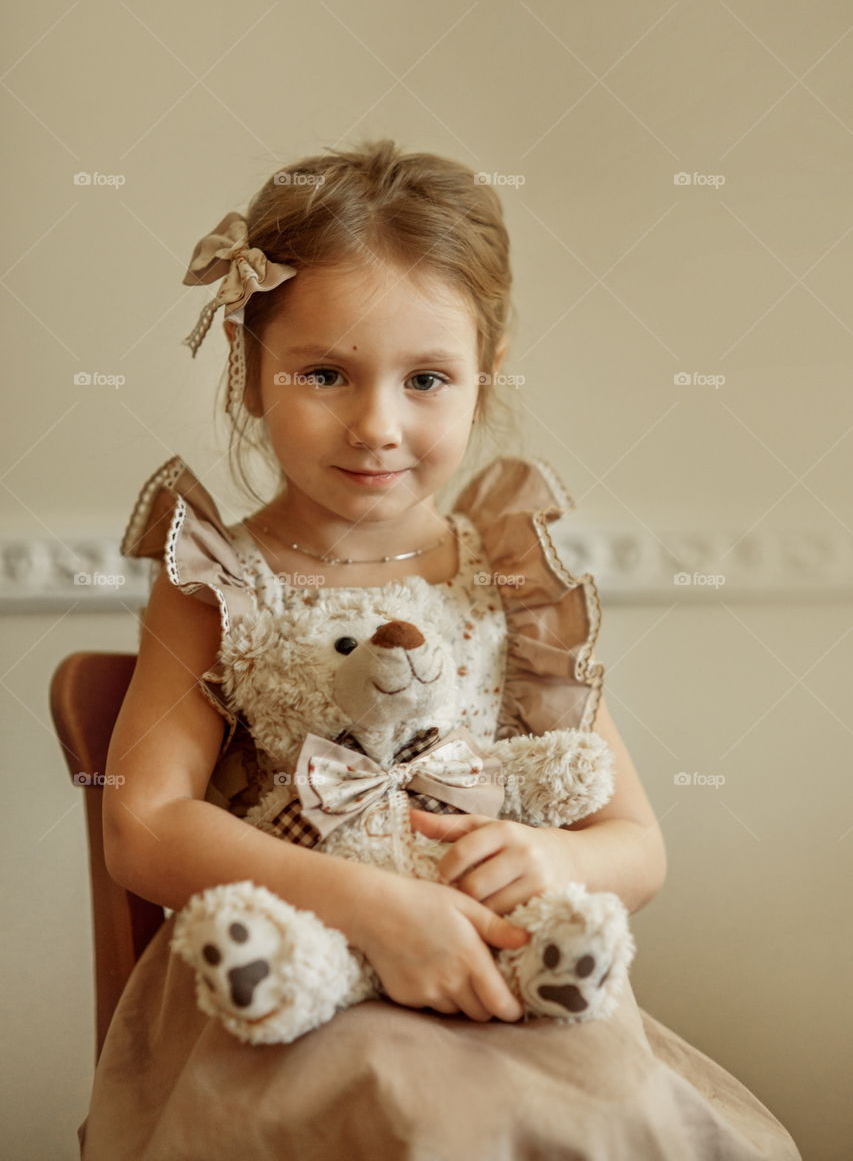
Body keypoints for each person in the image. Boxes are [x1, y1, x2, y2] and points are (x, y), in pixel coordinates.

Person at [79, 139, 801, 1159]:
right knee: (402, 1106)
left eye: (425, 378)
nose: (376, 423)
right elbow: (144, 826)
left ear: (483, 376)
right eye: (324, 372)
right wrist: (372, 904)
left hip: (499, 978)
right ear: (250, 371)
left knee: (596, 1110)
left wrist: (552, 853)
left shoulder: (508, 572)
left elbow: (635, 841)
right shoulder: (216, 578)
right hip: (299, 982)